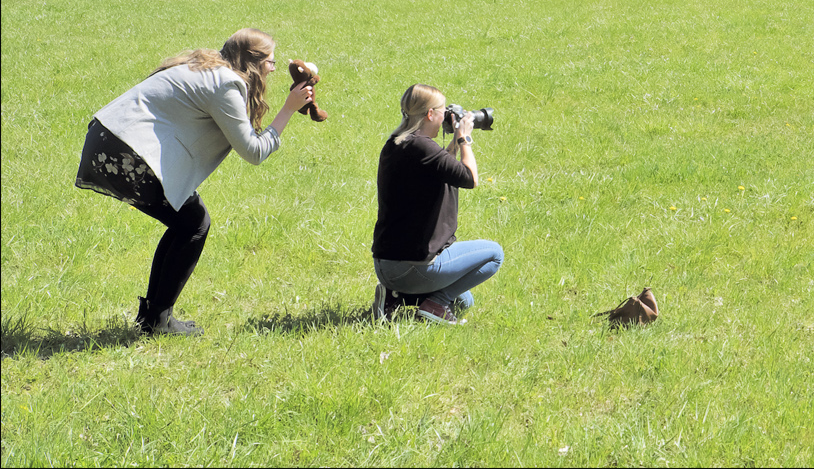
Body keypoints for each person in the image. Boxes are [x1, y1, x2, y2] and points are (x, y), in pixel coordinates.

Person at [76, 28, 315, 336]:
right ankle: (157, 322)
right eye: (270, 61)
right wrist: (288, 110)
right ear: (252, 63)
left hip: (107, 138)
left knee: (187, 222)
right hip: (125, 151)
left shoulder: (204, 64)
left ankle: (154, 318)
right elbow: (253, 152)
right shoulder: (227, 84)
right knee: (193, 223)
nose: (273, 68)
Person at [371, 84, 503, 325]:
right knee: (495, 254)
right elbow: (470, 178)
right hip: (415, 266)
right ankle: (436, 304)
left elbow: (440, 165)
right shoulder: (423, 147)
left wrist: (452, 142)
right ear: (430, 114)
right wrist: (464, 138)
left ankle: (394, 297)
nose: (446, 115)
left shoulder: (397, 143)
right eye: (443, 110)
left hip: (386, 266)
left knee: (465, 302)